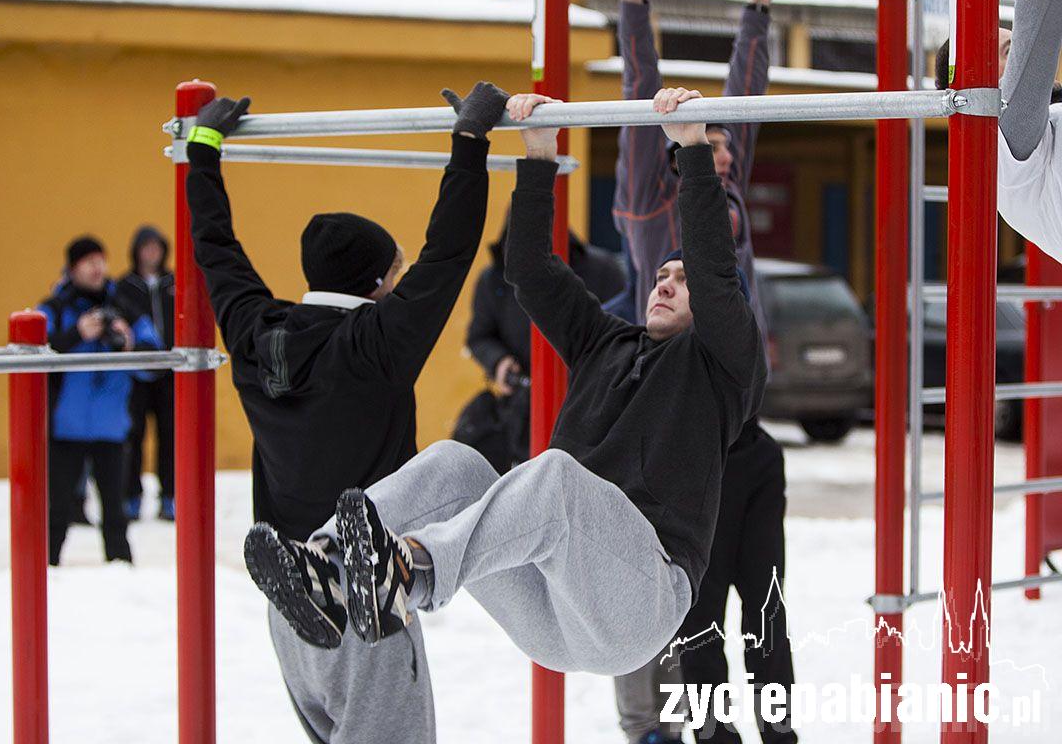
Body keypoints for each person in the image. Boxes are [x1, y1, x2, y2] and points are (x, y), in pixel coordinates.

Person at [252, 89, 767, 695]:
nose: (665, 285)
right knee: (454, 462)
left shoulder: (724, 366)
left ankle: (411, 570)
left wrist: (692, 153)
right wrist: (538, 156)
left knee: (555, 475)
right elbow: (528, 270)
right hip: (549, 603)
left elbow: (714, 273)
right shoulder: (606, 343)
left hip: (640, 602)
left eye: (681, 280)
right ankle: (327, 565)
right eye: (660, 276)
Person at [187, 83, 505, 743]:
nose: (401, 282)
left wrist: (204, 149)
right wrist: (469, 144)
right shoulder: (376, 343)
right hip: (365, 598)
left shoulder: (257, 333)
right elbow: (448, 253)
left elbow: (216, 250)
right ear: (375, 283)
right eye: (396, 273)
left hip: (289, 602)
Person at [612, 0, 799, 743]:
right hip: (694, 450)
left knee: (767, 610)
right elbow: (640, 97)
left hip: (747, 441)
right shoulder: (651, 212)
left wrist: (760, 1)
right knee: (699, 616)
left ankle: (780, 731)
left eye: (725, 148)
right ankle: (710, 734)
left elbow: (745, 101)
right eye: (707, 147)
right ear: (678, 159)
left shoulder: (728, 203)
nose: (724, 155)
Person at [460, 221, 624, 471]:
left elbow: (623, 332)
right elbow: (479, 336)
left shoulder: (601, 270)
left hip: (590, 404)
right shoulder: (494, 278)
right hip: (523, 406)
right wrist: (498, 361)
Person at [934, 0, 1062, 263]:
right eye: (1008, 52)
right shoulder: (1000, 140)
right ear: (979, 80)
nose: (1018, 54)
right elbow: (1038, 17)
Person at [39, 236, 161, 566]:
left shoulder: (125, 307)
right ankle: (46, 568)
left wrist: (129, 344)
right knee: (56, 510)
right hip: (66, 428)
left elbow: (155, 362)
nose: (97, 268)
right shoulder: (55, 308)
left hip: (112, 427)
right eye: (88, 262)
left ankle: (121, 569)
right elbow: (34, 352)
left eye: (101, 260)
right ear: (72, 268)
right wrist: (77, 333)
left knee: (116, 511)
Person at [117, 225, 176, 522]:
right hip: (135, 374)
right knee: (133, 436)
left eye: (157, 246)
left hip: (170, 371)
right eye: (146, 246)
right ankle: (131, 496)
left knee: (171, 436)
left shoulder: (174, 283)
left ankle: (170, 496)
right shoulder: (124, 286)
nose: (152, 253)